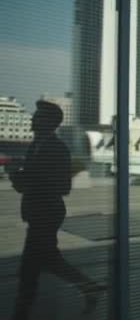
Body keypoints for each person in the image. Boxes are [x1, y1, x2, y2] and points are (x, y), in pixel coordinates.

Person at [10, 100, 105, 320]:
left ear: (49, 122)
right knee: (49, 261)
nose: (32, 119)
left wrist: (23, 177)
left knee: (29, 270)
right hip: (39, 213)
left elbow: (63, 186)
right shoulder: (35, 146)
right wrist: (18, 175)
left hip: (47, 213)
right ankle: (90, 288)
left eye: (37, 116)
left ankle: (21, 313)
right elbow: (27, 184)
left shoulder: (57, 148)